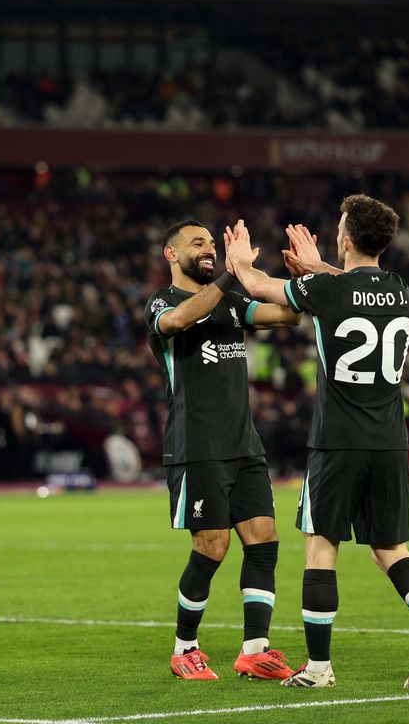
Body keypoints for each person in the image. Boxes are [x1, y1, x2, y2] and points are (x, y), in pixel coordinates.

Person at [225, 197, 409, 691]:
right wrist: (319, 268)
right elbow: (352, 287)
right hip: (390, 441)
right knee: (390, 548)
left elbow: (260, 287)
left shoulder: (328, 290)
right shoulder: (399, 289)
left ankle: (318, 668)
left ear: (346, 238)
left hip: (337, 442)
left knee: (319, 546)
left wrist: (242, 261)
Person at [145, 219, 302, 682]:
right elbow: (175, 322)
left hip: (242, 444)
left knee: (263, 538)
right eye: (198, 243)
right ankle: (184, 649)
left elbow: (287, 316)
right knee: (212, 546)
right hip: (197, 446)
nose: (209, 249)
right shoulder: (163, 301)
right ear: (171, 254)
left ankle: (255, 649)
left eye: (213, 243)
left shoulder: (230, 301)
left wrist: (295, 282)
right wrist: (234, 274)